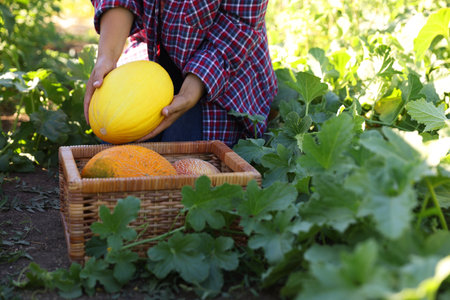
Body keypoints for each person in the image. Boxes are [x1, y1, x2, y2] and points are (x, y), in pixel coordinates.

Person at [84, 1, 277, 147]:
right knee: (118, 148)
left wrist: (189, 93)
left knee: (182, 152)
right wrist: (107, 56)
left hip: (222, 70)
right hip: (152, 52)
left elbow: (238, 25)